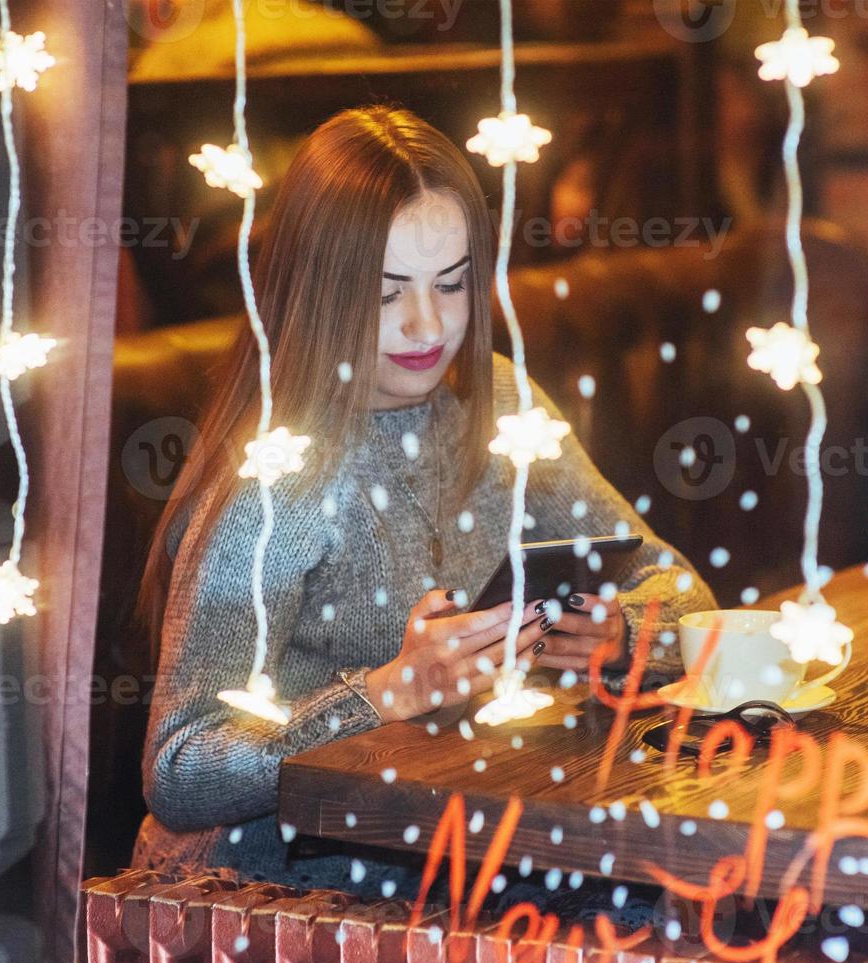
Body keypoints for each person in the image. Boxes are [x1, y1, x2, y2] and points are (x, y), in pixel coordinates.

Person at [132, 105, 716, 895]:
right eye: (385, 293)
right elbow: (179, 766)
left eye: (451, 284)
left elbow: (682, 592)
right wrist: (386, 694)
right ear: (316, 291)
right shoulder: (278, 468)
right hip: (288, 893)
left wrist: (620, 635)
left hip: (469, 839)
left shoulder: (498, 402)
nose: (425, 324)